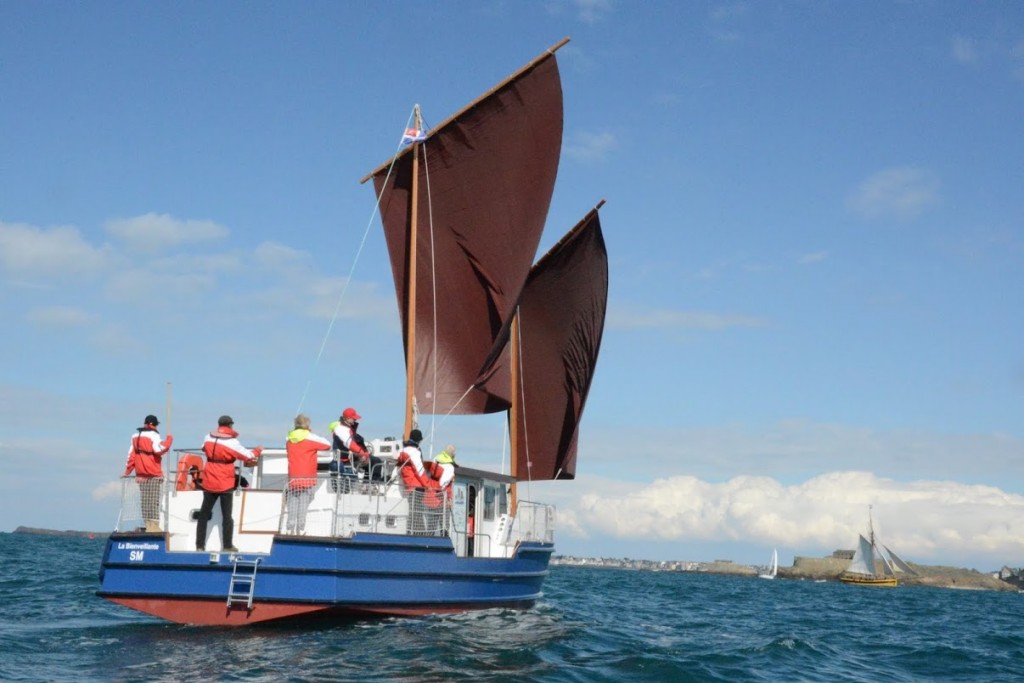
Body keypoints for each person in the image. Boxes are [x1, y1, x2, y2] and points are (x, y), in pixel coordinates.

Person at [196, 415, 262, 552]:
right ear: (230, 426)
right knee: (227, 516)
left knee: (203, 514)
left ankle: (200, 546)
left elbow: (203, 448)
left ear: (219, 425)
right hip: (225, 481)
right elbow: (248, 456)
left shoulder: (208, 437)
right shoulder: (232, 442)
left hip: (209, 479)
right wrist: (258, 450)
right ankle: (227, 546)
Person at [123, 414, 173, 532]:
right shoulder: (154, 435)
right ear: (154, 425)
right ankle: (153, 527)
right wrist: (169, 441)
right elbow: (158, 450)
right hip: (153, 473)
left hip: (140, 474)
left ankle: (147, 524)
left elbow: (131, 455)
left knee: (144, 501)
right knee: (153, 500)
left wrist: (127, 471)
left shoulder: (135, 436)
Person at [285, 414, 331, 535]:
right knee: (304, 502)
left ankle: (290, 527)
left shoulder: (289, 439)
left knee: (293, 501)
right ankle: (300, 528)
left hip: (293, 476)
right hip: (307, 476)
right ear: (307, 425)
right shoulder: (310, 437)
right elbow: (327, 445)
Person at [329, 407, 384, 482]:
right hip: (345, 459)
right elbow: (350, 444)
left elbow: (357, 443)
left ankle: (368, 484)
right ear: (348, 418)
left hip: (353, 457)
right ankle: (371, 484)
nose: (355, 420)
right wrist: (362, 454)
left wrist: (365, 453)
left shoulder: (349, 429)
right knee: (375, 462)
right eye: (354, 418)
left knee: (375, 461)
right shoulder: (340, 429)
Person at [392, 429, 429, 533]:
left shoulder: (403, 451)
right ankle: (420, 533)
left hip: (408, 485)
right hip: (417, 486)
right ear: (418, 440)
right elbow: (420, 470)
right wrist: (428, 485)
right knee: (418, 511)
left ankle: (410, 530)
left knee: (412, 510)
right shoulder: (415, 452)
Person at [423, 444, 457, 535]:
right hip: (441, 499)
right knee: (444, 525)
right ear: (453, 455)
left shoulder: (435, 460)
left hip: (430, 496)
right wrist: (449, 499)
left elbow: (428, 474)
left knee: (431, 525)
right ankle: (444, 541)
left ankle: (428, 541)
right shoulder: (449, 467)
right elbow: (443, 484)